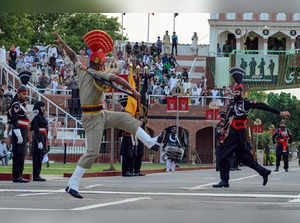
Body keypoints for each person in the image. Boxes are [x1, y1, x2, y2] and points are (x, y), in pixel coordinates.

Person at [53, 31, 164, 199]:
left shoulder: (82, 70)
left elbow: (73, 56)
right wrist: (133, 90)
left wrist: (63, 42)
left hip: (100, 113)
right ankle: (72, 184)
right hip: (92, 118)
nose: (104, 66)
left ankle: (150, 142)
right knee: (92, 153)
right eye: (103, 63)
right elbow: (116, 78)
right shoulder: (97, 73)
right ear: (98, 64)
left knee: (126, 119)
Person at [213, 67, 290, 188]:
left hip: (240, 133)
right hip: (233, 132)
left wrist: (279, 112)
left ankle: (226, 180)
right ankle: (262, 172)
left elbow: (262, 106)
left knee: (231, 155)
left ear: (241, 93)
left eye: (237, 92)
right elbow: (228, 116)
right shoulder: (232, 104)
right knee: (234, 156)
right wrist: (224, 127)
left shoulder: (246, 103)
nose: (235, 94)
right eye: (235, 92)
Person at [8, 96, 30, 183]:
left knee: (21, 155)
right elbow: (14, 119)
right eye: (24, 94)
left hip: (22, 131)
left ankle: (18, 175)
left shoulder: (22, 106)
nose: (25, 97)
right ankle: (17, 176)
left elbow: (25, 120)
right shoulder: (16, 105)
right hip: (19, 132)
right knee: (18, 155)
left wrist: (32, 115)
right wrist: (18, 133)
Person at [30, 101, 48, 181]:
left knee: (40, 156)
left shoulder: (41, 115)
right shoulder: (36, 115)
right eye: (43, 106)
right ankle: (36, 175)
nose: (44, 108)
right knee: (37, 157)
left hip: (43, 136)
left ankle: (37, 174)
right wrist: (39, 141)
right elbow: (36, 128)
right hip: (39, 136)